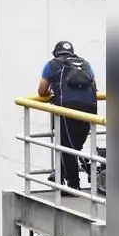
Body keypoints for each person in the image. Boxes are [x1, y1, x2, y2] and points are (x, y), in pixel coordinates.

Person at [38, 40, 99, 191]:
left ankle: (73, 186)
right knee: (75, 145)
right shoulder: (85, 64)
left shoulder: (51, 65)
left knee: (66, 146)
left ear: (55, 53)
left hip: (68, 107)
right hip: (90, 108)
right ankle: (66, 171)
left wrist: (53, 93)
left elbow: (41, 91)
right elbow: (95, 86)